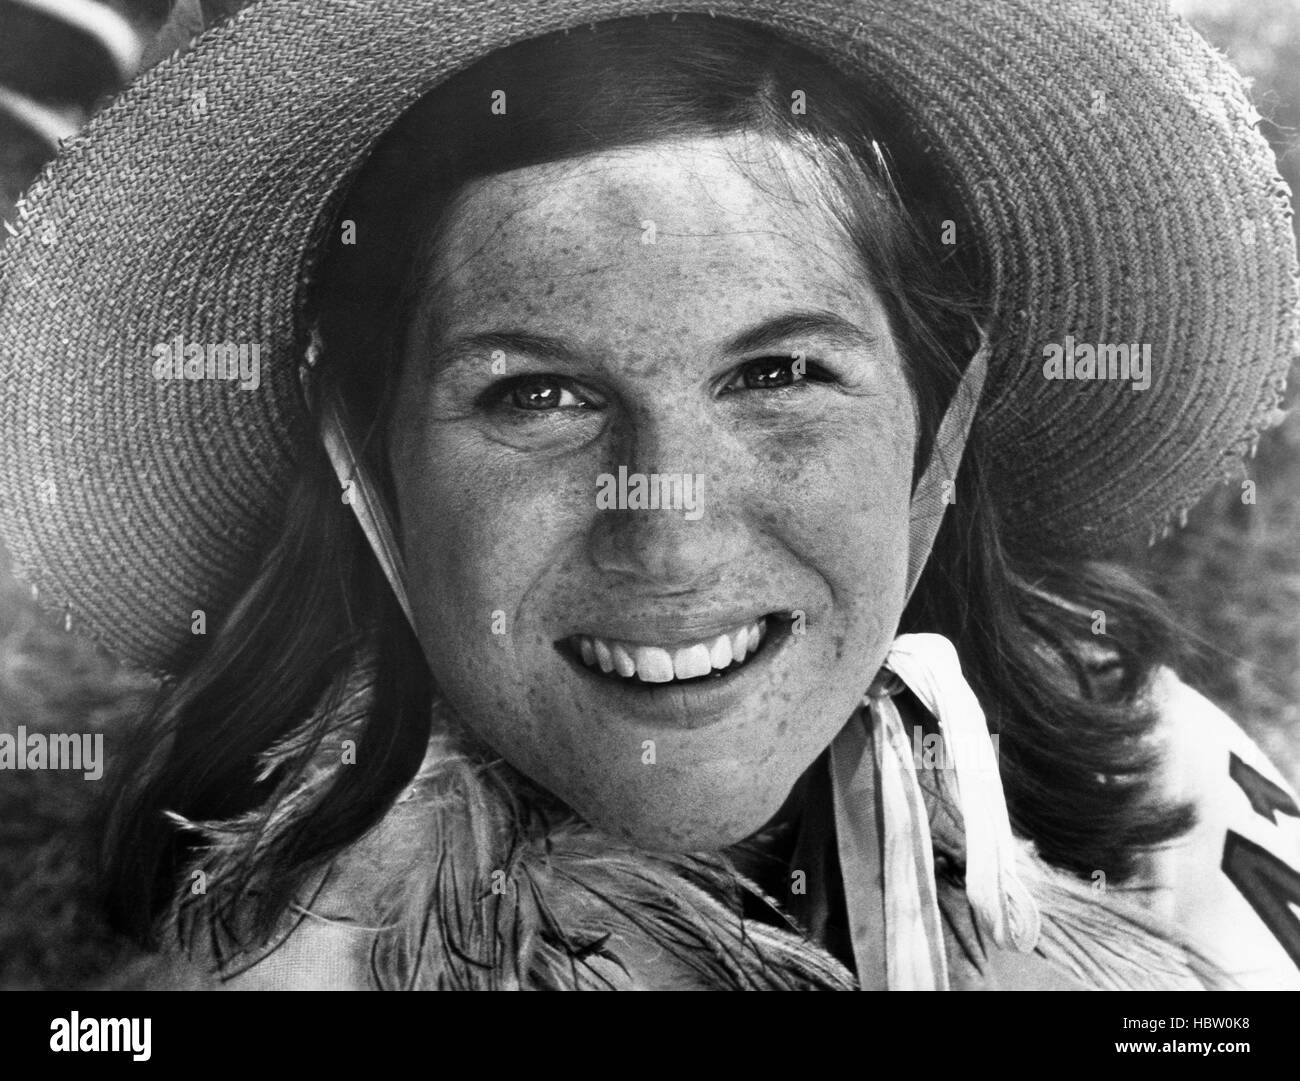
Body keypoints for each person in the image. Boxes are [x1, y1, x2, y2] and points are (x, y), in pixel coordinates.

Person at [0, 0, 1297, 990]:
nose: (669, 538)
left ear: (940, 432)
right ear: (364, 462)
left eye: (778, 373)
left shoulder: (1174, 806)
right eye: (538, 395)